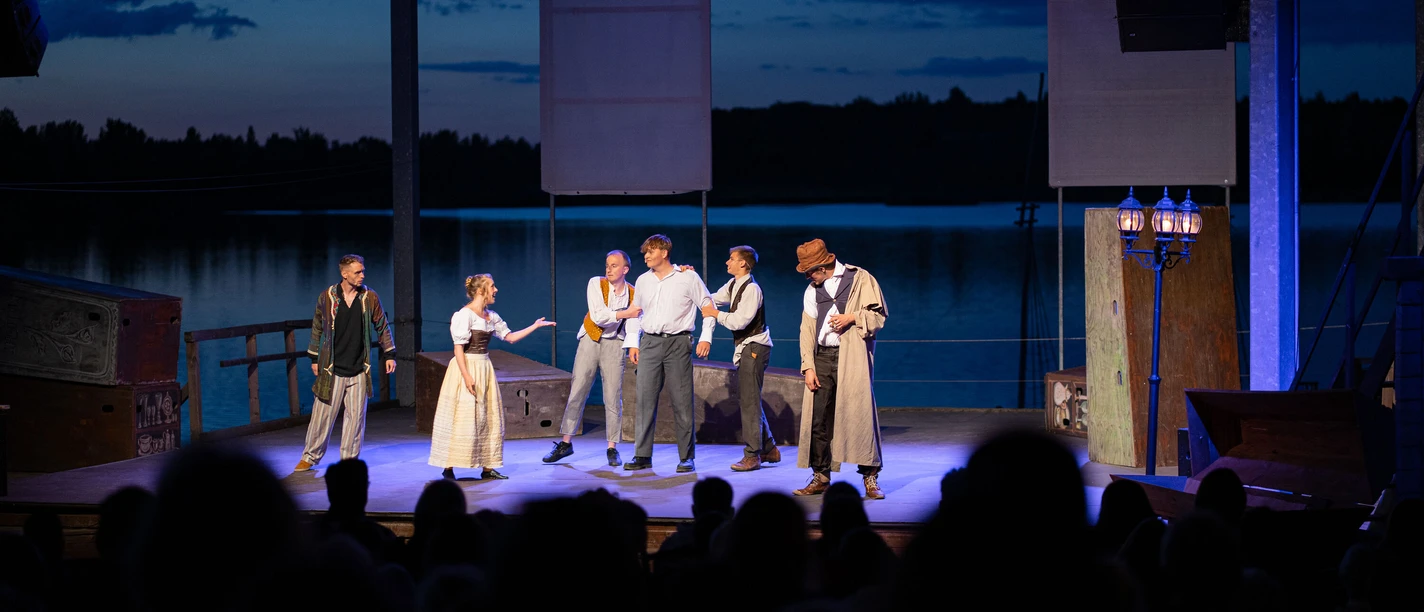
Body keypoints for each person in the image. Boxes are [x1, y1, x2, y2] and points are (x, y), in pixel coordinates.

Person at [428, 274, 556, 480]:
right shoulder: (464, 315)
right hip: (466, 366)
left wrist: (535, 326)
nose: (496, 290)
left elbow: (510, 337)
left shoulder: (491, 316)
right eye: (492, 286)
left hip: (484, 367)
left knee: (488, 416)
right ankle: (448, 466)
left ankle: (487, 467)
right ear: (481, 291)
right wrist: (466, 376)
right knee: (461, 415)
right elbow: (458, 348)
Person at [790, 239, 889, 499]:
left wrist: (852, 317)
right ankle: (821, 476)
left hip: (852, 356)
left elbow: (878, 317)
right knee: (819, 419)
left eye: (810, 271)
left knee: (860, 415)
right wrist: (808, 366)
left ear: (823, 266)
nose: (808, 277)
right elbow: (806, 330)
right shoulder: (812, 291)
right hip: (823, 356)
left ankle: (870, 477)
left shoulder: (860, 279)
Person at [294, 254, 396, 472]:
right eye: (358, 272)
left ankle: (349, 459)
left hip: (359, 368)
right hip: (332, 367)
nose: (362, 275)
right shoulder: (328, 296)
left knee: (355, 418)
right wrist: (314, 358)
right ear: (345, 274)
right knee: (322, 416)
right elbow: (317, 327)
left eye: (363, 271)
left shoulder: (369, 297)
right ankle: (310, 456)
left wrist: (389, 354)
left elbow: (382, 325)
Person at [623, 234, 716, 473]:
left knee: (682, 401)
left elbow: (708, 306)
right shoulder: (643, 280)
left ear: (664, 253)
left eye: (650, 251)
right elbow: (635, 312)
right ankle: (642, 455)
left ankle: (686, 457)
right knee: (644, 400)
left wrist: (706, 336)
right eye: (645, 252)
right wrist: (633, 342)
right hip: (650, 343)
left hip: (678, 343)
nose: (646, 256)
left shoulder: (688, 277)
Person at [543, 250, 643, 466]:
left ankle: (612, 447)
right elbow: (598, 316)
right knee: (578, 390)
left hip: (615, 343)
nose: (609, 269)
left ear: (625, 269)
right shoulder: (596, 283)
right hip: (591, 339)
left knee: (613, 396)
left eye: (614, 265)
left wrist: (633, 343)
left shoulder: (634, 293)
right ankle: (566, 443)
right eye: (607, 265)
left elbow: (635, 322)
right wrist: (625, 313)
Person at [700, 245, 781, 472]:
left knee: (749, 401)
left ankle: (752, 455)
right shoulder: (734, 284)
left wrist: (715, 314)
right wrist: (690, 282)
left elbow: (739, 321)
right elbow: (710, 298)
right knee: (749, 399)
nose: (727, 262)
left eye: (732, 259)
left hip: (755, 346)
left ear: (743, 263)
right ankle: (769, 448)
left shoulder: (752, 289)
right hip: (746, 347)